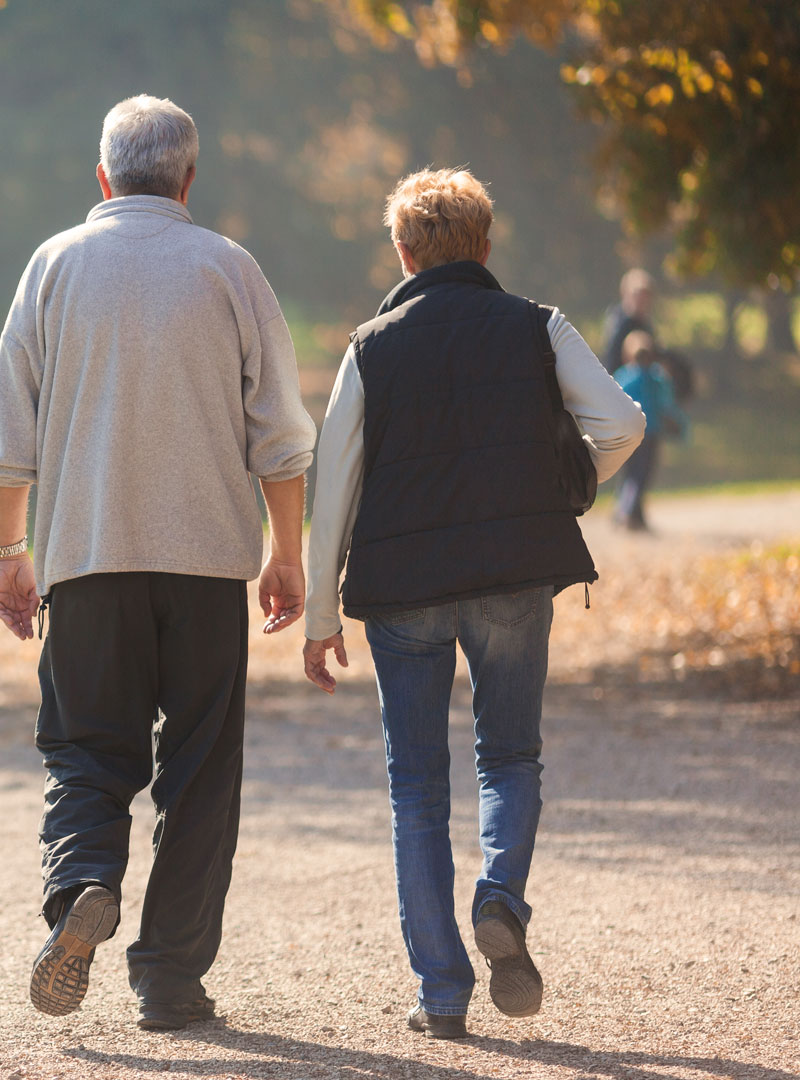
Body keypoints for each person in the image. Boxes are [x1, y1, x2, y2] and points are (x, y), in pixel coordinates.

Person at [0, 95, 315, 1032]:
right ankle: (168, 981)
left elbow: (10, 433)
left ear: (102, 175)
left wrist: (12, 553)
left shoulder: (54, 265)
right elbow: (281, 438)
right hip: (206, 569)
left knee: (86, 748)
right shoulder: (230, 268)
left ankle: (82, 883)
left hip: (87, 562)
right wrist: (288, 555)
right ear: (188, 179)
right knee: (201, 774)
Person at [302, 168, 645, 1040]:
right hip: (514, 575)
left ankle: (442, 995)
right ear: (486, 246)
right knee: (511, 757)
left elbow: (333, 481)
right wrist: (566, 482)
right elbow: (623, 423)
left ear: (403, 252)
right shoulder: (539, 326)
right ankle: (501, 899)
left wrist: (319, 613)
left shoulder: (370, 346)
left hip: (403, 592)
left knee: (416, 788)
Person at [612, 331, 690, 532]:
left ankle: (631, 514)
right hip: (650, 433)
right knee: (641, 476)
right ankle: (627, 513)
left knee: (631, 475)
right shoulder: (657, 378)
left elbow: (613, 403)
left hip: (628, 434)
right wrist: (679, 426)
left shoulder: (623, 377)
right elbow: (668, 405)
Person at [600, 267, 655, 372]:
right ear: (626, 294)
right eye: (638, 296)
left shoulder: (645, 322)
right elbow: (611, 359)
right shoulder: (619, 323)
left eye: (645, 297)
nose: (641, 301)